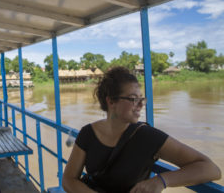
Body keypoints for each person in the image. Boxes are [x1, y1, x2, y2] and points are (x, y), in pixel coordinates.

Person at [62, 66, 221, 193]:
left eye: (141, 98)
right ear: (111, 102)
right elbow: (69, 179)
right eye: (133, 99)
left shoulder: (148, 137)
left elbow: (211, 169)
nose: (140, 104)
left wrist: (161, 180)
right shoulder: (88, 133)